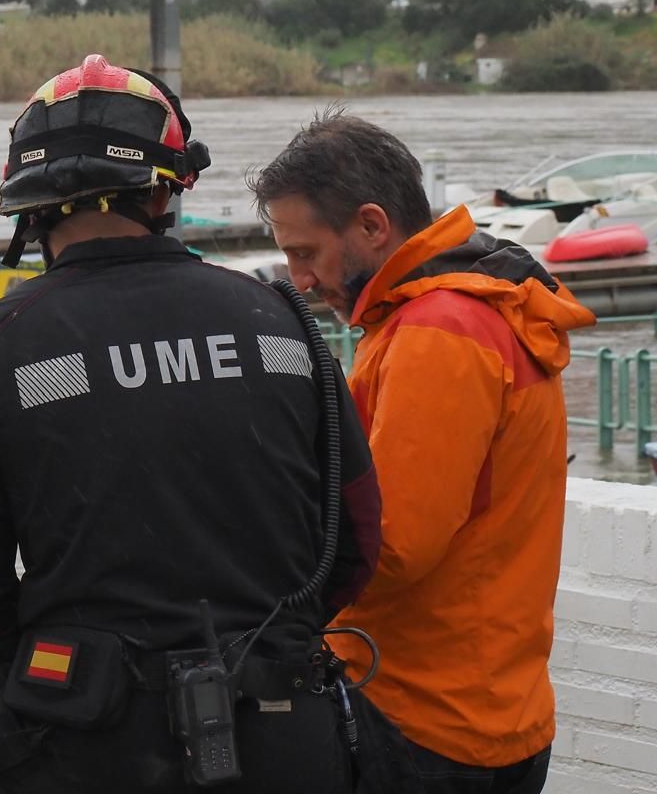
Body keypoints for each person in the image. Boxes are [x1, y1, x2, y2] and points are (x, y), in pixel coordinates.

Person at [0, 55, 381, 794]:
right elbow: (354, 544)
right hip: (284, 729)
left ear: (30, 208)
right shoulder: (281, 321)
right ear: (165, 192)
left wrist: (67, 657)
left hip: (84, 740)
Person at [250, 111, 594, 794]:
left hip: (421, 723)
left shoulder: (437, 331)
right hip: (493, 706)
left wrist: (255, 536)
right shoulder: (481, 306)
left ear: (372, 226)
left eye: (307, 252)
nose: (300, 279)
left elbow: (394, 545)